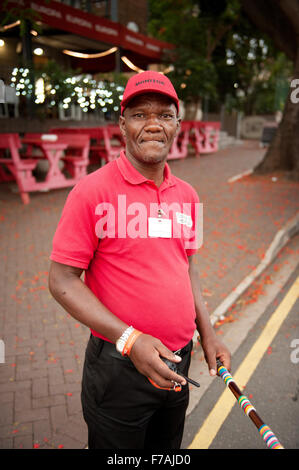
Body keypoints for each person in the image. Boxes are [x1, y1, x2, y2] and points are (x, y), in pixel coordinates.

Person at [48, 70, 231, 449]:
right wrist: (130, 339)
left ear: (178, 126)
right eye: (139, 114)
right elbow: (62, 280)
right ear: (122, 125)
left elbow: (187, 267)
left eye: (164, 115)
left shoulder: (189, 195)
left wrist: (208, 334)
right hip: (118, 368)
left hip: (179, 362)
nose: (153, 125)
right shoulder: (91, 192)